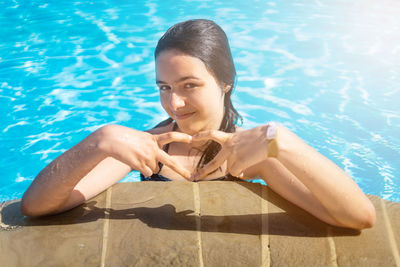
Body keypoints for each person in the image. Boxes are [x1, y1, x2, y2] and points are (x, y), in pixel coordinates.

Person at [21, 19, 376, 230]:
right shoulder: (148, 148)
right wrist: (98, 141)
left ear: (225, 83)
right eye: (164, 88)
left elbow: (358, 217)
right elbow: (36, 206)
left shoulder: (251, 152)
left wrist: (279, 140)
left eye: (189, 85)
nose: (174, 103)